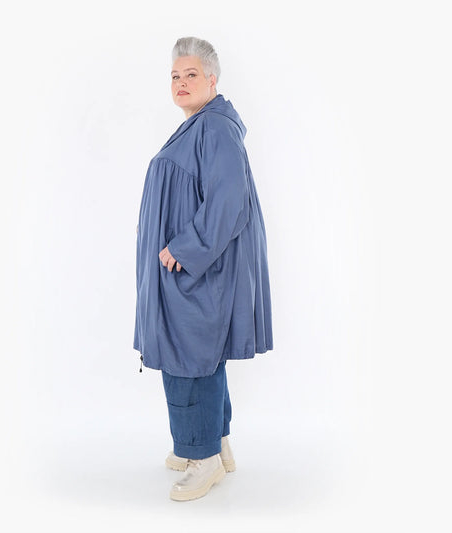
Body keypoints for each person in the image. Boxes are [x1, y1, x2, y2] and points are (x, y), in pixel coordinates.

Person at [133, 36, 273, 501]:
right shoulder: (201, 126)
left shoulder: (213, 127)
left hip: (196, 271)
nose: (181, 82)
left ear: (212, 80)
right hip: (191, 270)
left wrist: (184, 248)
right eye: (175, 75)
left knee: (187, 357)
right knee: (200, 356)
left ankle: (202, 458)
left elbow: (229, 202)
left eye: (191, 74)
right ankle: (216, 445)